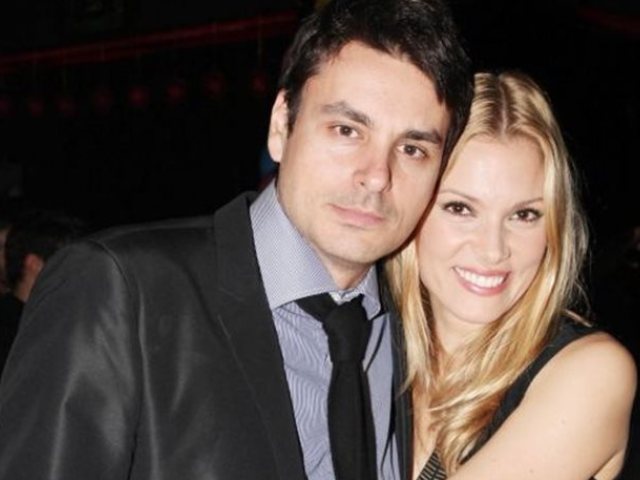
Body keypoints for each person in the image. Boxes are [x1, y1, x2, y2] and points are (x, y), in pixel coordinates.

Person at [0, 0, 473, 479]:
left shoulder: (420, 332)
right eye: (346, 130)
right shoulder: (120, 289)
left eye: (412, 149)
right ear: (281, 126)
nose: (376, 175)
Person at [385, 70, 637, 480]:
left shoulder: (591, 373)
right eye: (460, 208)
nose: (493, 249)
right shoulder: (370, 349)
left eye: (524, 215)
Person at [0, 208, 86, 373]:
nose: (80, 272)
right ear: (35, 265)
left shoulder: (62, 319)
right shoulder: (16, 332)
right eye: (69, 262)